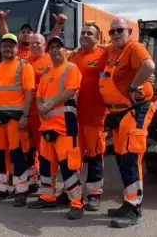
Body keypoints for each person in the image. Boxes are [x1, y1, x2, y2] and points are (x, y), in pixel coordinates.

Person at [99, 17, 155, 228]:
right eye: (112, 31)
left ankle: (134, 208)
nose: (115, 34)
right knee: (122, 160)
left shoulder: (135, 48)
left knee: (131, 159)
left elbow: (148, 66)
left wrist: (133, 87)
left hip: (134, 112)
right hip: (119, 115)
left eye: (119, 30)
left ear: (129, 31)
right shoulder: (113, 51)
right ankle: (128, 202)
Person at [27, 36, 85, 220]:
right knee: (46, 165)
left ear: (64, 49)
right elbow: (38, 94)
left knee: (68, 167)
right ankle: (47, 197)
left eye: (58, 47)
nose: (54, 50)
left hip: (65, 127)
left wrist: (49, 104)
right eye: (51, 47)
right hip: (47, 127)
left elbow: (70, 91)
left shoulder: (71, 68)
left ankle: (77, 203)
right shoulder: (47, 72)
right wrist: (40, 106)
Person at [0, 33, 35, 207]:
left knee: (18, 155)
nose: (7, 48)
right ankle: (1, 188)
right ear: (1, 48)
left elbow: (29, 93)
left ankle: (21, 190)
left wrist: (25, 117)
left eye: (11, 45)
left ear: (16, 48)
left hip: (15, 120)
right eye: (4, 45)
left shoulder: (24, 66)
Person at [68, 23, 108, 211]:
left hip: (94, 116)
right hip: (73, 117)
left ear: (97, 38)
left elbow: (120, 51)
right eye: (82, 33)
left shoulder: (103, 55)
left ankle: (94, 194)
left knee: (94, 156)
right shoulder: (73, 56)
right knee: (73, 158)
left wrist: (103, 47)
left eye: (89, 33)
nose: (84, 35)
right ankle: (73, 193)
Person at [26, 34, 52, 192]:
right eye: (32, 43)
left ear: (44, 44)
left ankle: (45, 179)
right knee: (30, 147)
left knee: (45, 147)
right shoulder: (25, 62)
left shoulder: (50, 60)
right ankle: (32, 178)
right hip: (30, 111)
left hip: (45, 111)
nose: (35, 45)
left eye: (38, 43)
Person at [0, 10, 67, 60]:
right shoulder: (15, 49)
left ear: (33, 35)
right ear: (18, 35)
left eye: (29, 32)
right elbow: (5, 34)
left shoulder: (39, 47)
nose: (26, 34)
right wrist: (1, 20)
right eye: (22, 32)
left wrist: (59, 24)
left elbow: (53, 36)